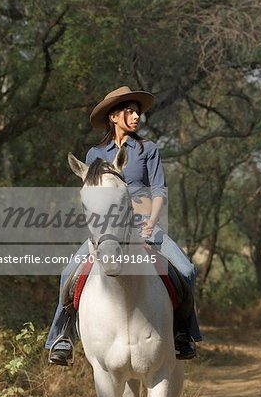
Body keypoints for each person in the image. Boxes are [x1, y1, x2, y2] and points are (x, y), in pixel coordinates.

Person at [45, 86, 202, 365]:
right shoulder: (95, 154)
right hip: (107, 231)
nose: (136, 116)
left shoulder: (147, 149)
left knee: (187, 270)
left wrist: (151, 222)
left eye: (137, 111)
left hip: (144, 224)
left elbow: (159, 190)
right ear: (114, 117)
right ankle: (62, 337)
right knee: (68, 274)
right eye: (129, 111)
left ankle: (182, 334)